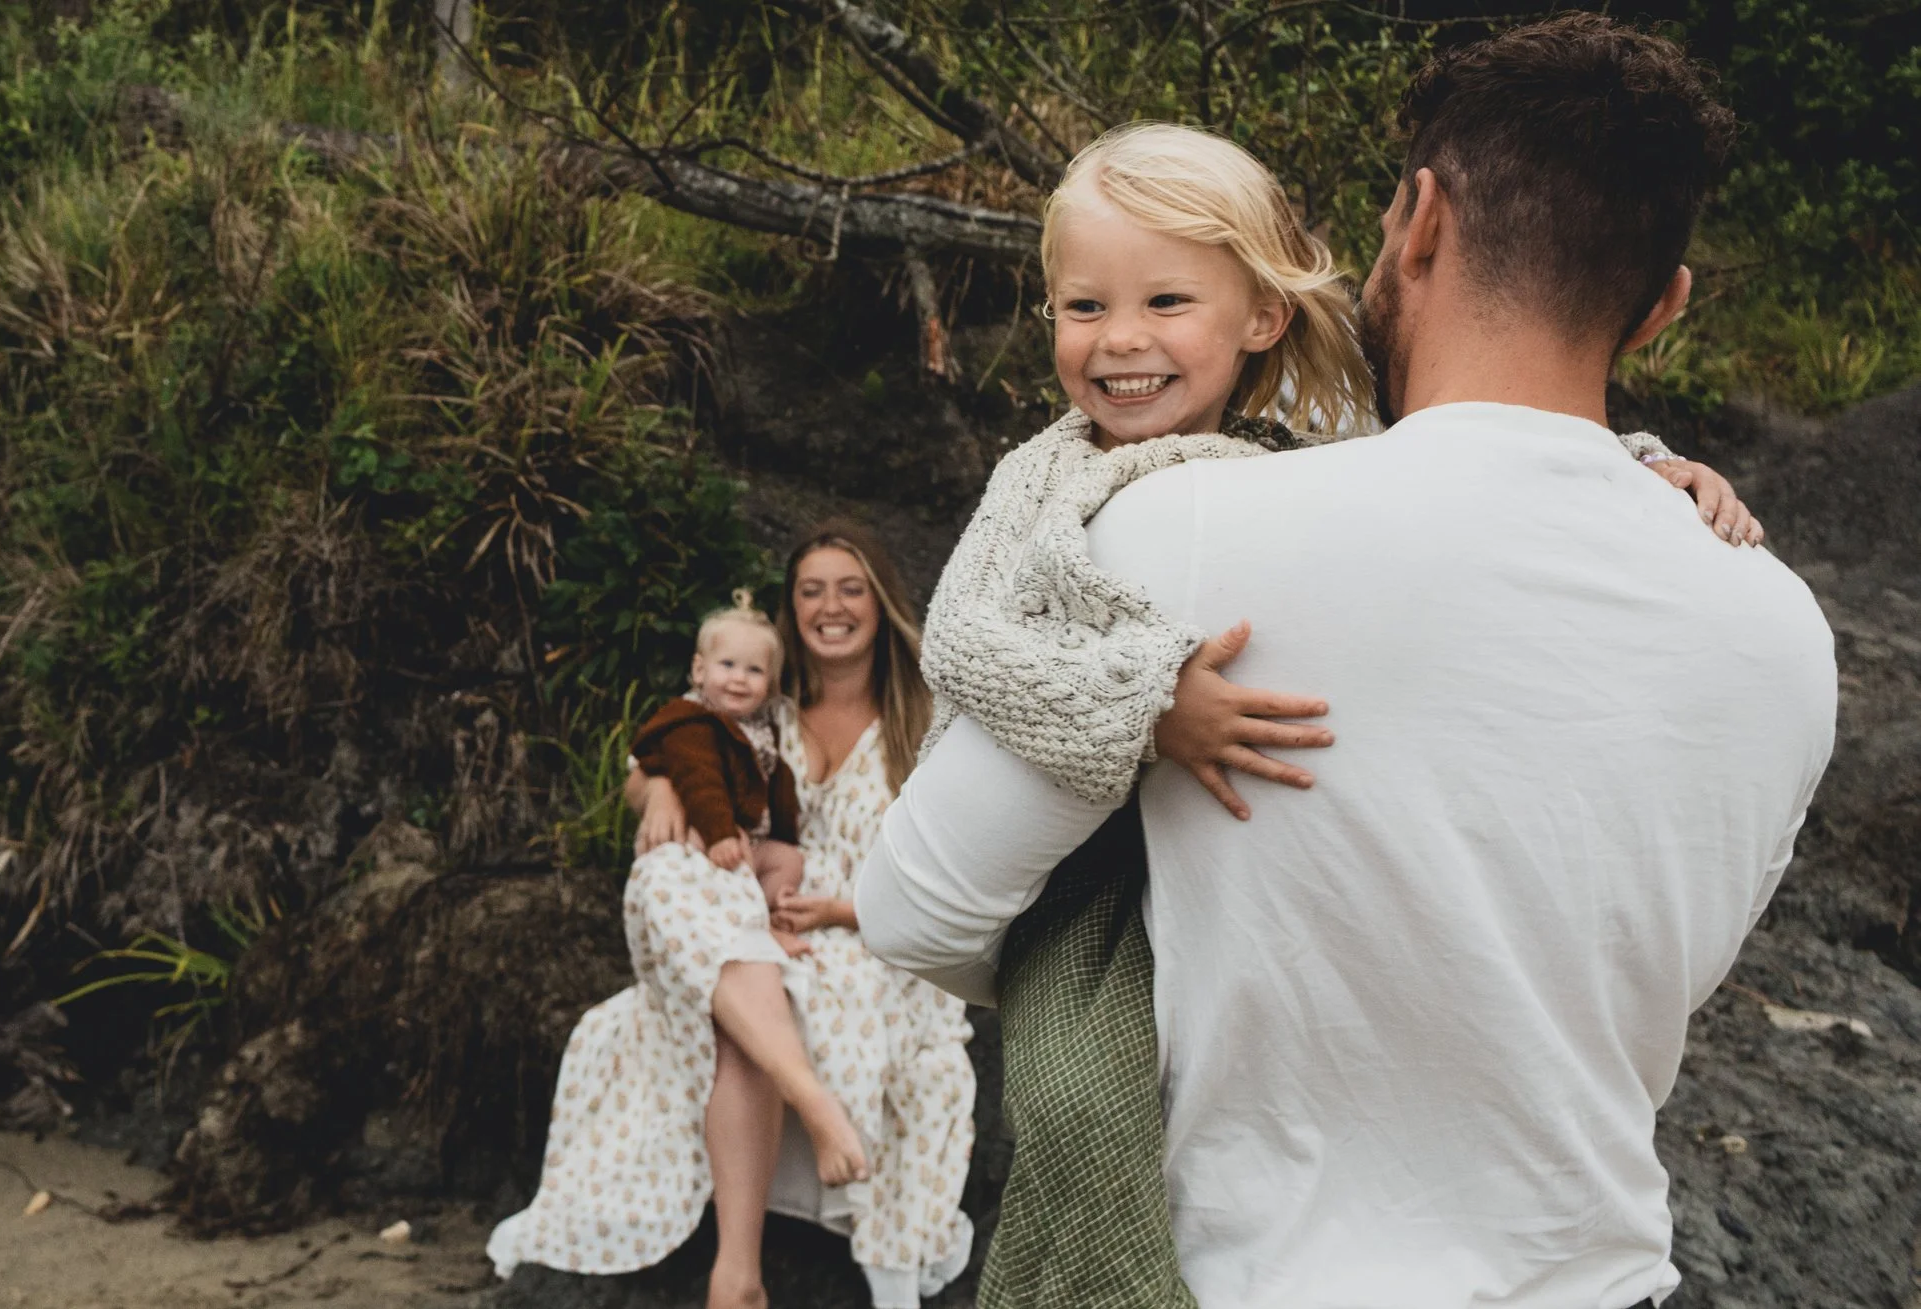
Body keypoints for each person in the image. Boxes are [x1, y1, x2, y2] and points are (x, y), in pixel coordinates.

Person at [857, 15, 1836, 1309]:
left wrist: (1148, 943)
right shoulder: (1780, 630)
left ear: (1419, 225)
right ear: (1664, 305)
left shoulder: (1184, 525)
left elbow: (912, 909)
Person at [489, 522, 976, 1309]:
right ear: (790, 608)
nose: (831, 607)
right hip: (745, 923)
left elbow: (972, 865)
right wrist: (668, 788)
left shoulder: (931, 717)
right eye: (811, 590)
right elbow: (643, 769)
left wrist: (849, 907)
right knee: (662, 873)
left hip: (869, 934)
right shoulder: (756, 703)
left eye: (850, 588)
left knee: (745, 999)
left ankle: (740, 1271)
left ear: (881, 602)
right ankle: (771, 1193)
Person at [630, 592, 808, 952]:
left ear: (770, 684)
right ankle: (747, 929)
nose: (739, 679)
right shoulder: (693, 722)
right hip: (702, 829)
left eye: (754, 670)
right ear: (699, 670)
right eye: (727, 665)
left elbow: (774, 782)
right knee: (726, 855)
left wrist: (785, 830)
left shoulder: (760, 727)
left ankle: (769, 915)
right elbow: (701, 780)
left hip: (743, 837)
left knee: (789, 860)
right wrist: (719, 834)